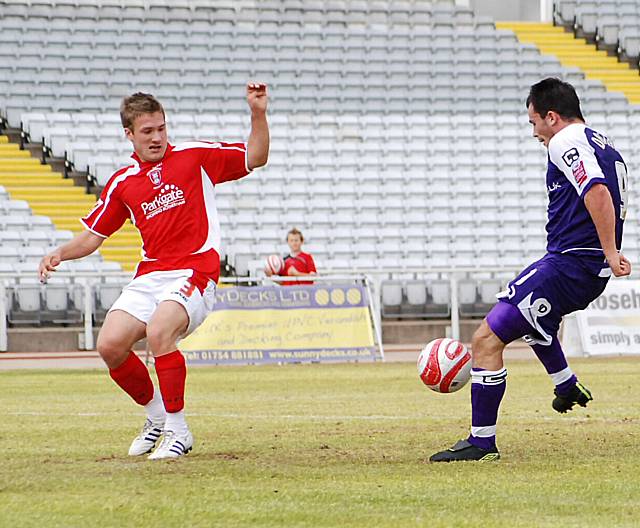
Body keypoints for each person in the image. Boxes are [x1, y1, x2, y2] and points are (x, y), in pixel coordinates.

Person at [38, 84, 269, 459]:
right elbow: (95, 236)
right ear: (129, 134)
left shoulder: (195, 156)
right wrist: (59, 254)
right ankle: (157, 417)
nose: (158, 137)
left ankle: (180, 432)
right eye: (147, 131)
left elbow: (255, 157)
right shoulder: (122, 182)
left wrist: (257, 113)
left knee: (160, 332)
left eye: (161, 128)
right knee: (110, 345)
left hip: (195, 268)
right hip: (150, 275)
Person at [431, 78, 631, 462]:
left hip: (573, 263)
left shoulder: (564, 141)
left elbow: (598, 192)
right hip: (579, 265)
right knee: (532, 320)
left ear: (551, 117)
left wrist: (608, 251)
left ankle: (481, 442)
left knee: (486, 338)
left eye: (533, 121)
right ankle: (566, 385)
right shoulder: (603, 143)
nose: (534, 131)